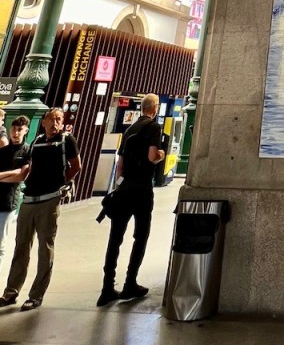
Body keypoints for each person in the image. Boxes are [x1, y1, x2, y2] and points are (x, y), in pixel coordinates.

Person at [0, 107, 80, 311]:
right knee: (21, 247)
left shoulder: (66, 140)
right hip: (29, 200)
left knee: (45, 248)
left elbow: (76, 166)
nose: (56, 123)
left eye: (59, 119)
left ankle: (36, 295)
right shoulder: (37, 142)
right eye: (52, 119)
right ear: (44, 122)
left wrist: (61, 183)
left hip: (49, 200)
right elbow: (29, 168)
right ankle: (11, 292)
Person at [97, 94, 166, 306]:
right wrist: (162, 154)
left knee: (115, 238)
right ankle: (130, 283)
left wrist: (119, 187)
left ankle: (107, 287)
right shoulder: (154, 128)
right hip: (142, 189)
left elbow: (120, 166)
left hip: (125, 189)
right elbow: (152, 156)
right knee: (140, 236)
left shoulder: (129, 129)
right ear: (155, 108)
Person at [0, 117, 31, 276]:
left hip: (8, 202)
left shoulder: (27, 151)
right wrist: (12, 172)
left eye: (20, 129)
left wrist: (3, 175)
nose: (16, 132)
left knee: (0, 243)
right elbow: (16, 173)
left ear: (26, 131)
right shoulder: (3, 151)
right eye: (13, 128)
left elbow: (21, 176)